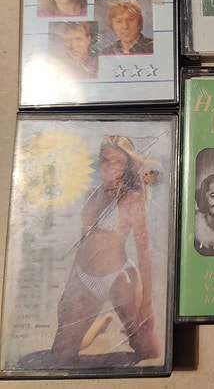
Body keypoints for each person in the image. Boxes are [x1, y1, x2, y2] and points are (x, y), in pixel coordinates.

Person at [51, 135, 161, 365]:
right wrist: (69, 288)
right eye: (105, 159)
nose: (109, 165)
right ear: (99, 161)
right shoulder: (91, 193)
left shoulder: (132, 199)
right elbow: (83, 243)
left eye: (118, 161)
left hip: (120, 278)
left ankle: (134, 334)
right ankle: (99, 325)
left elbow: (144, 253)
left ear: (126, 166)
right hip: (85, 278)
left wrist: (147, 304)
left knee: (147, 351)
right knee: (61, 354)